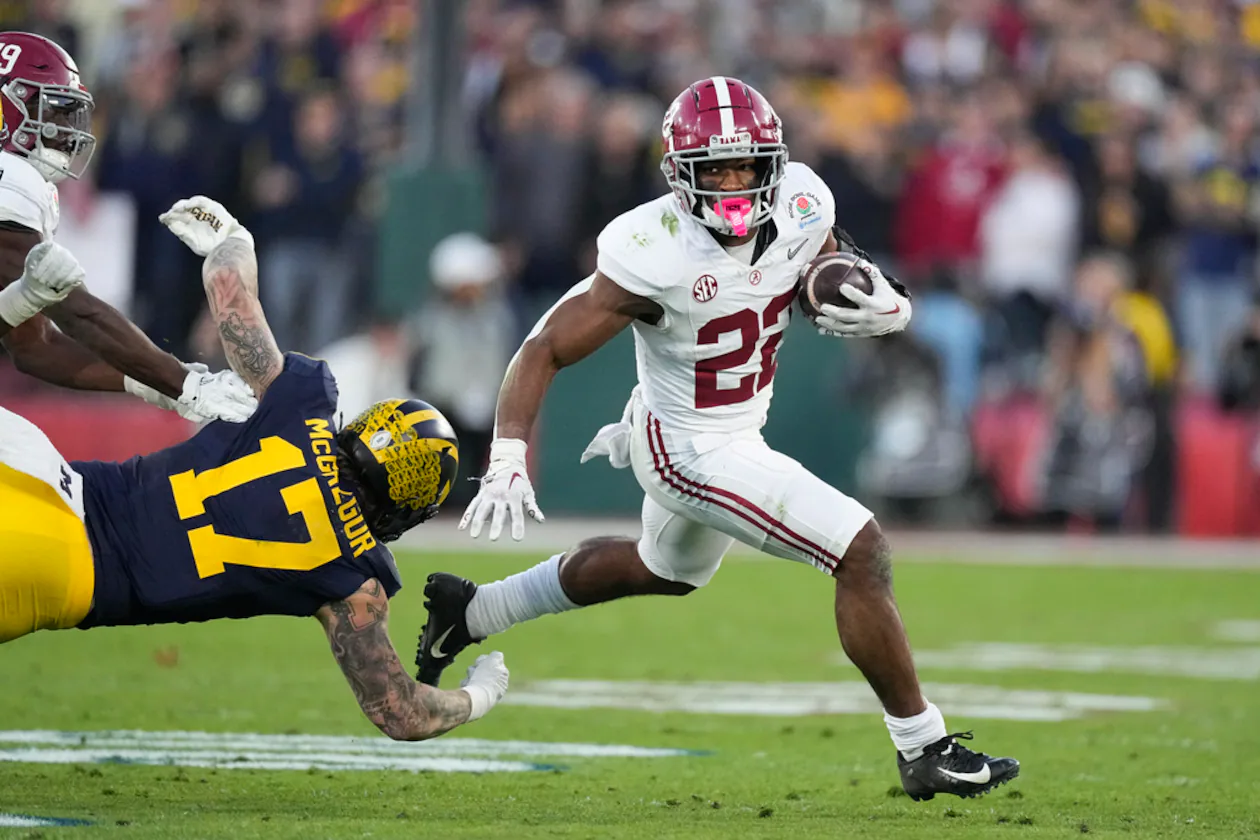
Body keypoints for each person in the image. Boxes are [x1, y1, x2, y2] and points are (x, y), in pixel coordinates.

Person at [417, 77, 1018, 799]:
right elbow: (545, 345)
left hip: (736, 428)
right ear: (679, 177)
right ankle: (923, 748)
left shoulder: (802, 200)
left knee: (663, 571)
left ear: (774, 165)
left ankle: (472, 610)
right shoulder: (651, 248)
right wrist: (509, 452)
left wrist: (881, 297)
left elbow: (826, 264)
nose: (734, 184)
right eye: (716, 171)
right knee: (861, 551)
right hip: (687, 445)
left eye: (747, 167)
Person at [0, 195, 509, 741]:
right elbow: (401, 713)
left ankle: (17, 298)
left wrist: (231, 239)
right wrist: (478, 696)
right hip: (60, 570)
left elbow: (230, 292)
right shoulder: (354, 577)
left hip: (41, 470)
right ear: (408, 508)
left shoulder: (297, 406)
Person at [0, 32, 254, 424]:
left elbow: (36, 346)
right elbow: (75, 314)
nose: (65, 128)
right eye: (52, 110)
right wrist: (185, 385)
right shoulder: (11, 178)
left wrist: (152, 382)